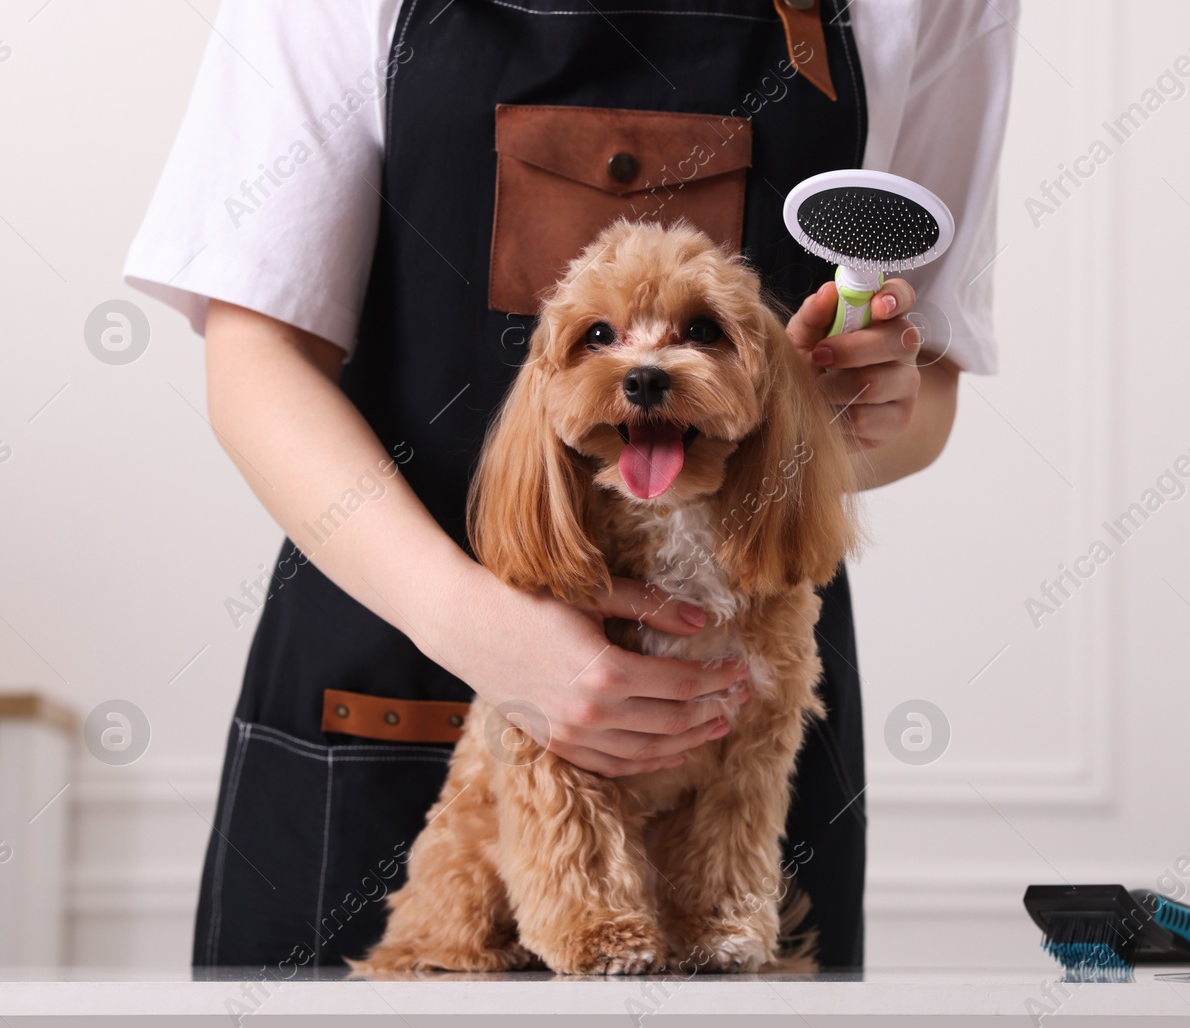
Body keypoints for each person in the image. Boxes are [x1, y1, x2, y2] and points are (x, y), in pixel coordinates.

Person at [125, 0, 1015, 971]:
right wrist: (482, 631)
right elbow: (257, 359)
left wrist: (830, 427)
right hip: (389, 667)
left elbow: (924, 393)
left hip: (731, 698)